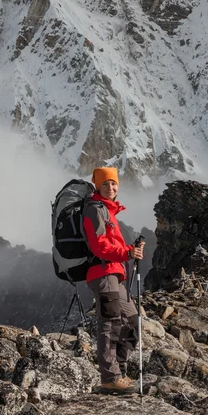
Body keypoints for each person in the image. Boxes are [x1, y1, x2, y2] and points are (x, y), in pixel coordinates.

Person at [83, 166, 145, 394]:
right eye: (106, 184)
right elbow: (99, 246)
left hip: (114, 273)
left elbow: (113, 246)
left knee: (132, 320)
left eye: (114, 183)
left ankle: (118, 371)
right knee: (109, 324)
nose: (111, 187)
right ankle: (110, 378)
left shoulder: (108, 211)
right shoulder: (94, 210)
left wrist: (131, 250)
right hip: (102, 273)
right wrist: (126, 253)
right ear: (98, 186)